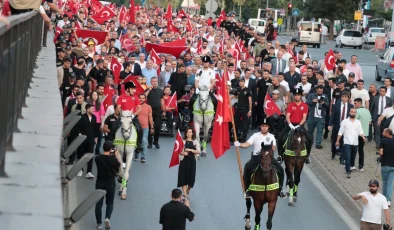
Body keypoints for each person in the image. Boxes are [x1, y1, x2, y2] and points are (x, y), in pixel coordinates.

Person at [234, 119, 287, 199]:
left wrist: (268, 153)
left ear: (268, 127)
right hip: (257, 157)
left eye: (266, 126)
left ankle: (280, 189)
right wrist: (239, 144)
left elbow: (273, 148)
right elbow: (247, 144)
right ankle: (247, 189)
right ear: (260, 127)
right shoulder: (255, 135)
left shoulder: (271, 137)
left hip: (268, 157)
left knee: (281, 169)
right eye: (263, 126)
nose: (264, 128)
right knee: (247, 167)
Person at [277, 88, 312, 164]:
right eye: (295, 95)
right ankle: (280, 155)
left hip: (300, 125)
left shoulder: (305, 106)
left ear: (301, 96)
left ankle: (307, 156)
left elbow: (304, 117)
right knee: (280, 138)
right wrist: (290, 125)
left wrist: (299, 125)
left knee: (310, 139)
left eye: (298, 95)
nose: (297, 97)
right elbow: (287, 116)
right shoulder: (290, 105)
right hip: (290, 124)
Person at [94, 141, 121, 230]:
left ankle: (99, 224)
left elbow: (102, 158)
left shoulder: (97, 159)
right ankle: (107, 218)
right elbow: (119, 165)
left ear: (103, 148)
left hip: (100, 182)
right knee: (110, 202)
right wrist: (116, 155)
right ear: (111, 149)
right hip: (110, 183)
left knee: (98, 203)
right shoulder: (113, 160)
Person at [335, 108, 366, 178]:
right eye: (352, 112)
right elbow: (340, 132)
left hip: (355, 142)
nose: (353, 113)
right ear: (349, 112)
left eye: (354, 112)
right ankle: (348, 171)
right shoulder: (344, 121)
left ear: (356, 113)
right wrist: (337, 141)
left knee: (353, 157)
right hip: (347, 142)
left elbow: (360, 131)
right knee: (348, 157)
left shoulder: (358, 122)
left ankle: (351, 166)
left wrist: (363, 137)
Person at [116, 81, 143, 153]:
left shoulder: (135, 97)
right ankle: (112, 144)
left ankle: (138, 145)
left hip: (133, 117)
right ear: (127, 89)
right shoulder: (121, 97)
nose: (134, 90)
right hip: (123, 117)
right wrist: (122, 114)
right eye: (132, 89)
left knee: (140, 129)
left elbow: (140, 108)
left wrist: (134, 114)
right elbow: (118, 107)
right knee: (114, 127)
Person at [178, 127, 201, 198]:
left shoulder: (195, 142)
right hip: (184, 161)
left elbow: (198, 151)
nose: (189, 133)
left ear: (192, 133)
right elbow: (178, 150)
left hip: (192, 161)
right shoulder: (182, 141)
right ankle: (184, 194)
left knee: (191, 177)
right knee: (183, 176)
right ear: (185, 133)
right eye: (187, 132)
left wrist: (191, 150)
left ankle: (188, 189)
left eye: (190, 132)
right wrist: (183, 153)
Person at [306, 85, 329, 149]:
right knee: (310, 130)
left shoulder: (325, 96)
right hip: (312, 116)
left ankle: (318, 144)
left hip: (321, 117)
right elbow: (307, 102)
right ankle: (310, 142)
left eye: (321, 91)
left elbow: (328, 105)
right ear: (316, 90)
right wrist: (313, 101)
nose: (320, 92)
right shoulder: (311, 95)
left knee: (320, 131)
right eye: (319, 91)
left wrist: (323, 103)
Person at [135, 94, 153, 163]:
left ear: (145, 99)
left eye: (143, 98)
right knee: (136, 141)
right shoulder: (136, 106)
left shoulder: (148, 107)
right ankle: (136, 154)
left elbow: (150, 117)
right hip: (136, 127)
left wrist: (152, 127)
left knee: (144, 141)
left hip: (145, 127)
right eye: (140, 98)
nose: (141, 99)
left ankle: (143, 156)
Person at [379, 128, 394, 206]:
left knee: (385, 182)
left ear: (387, 133)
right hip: (393, 166)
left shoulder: (383, 141)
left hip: (385, 164)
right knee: (390, 183)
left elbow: (381, 153)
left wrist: (380, 154)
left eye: (383, 132)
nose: (382, 133)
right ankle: (388, 200)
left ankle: (384, 199)